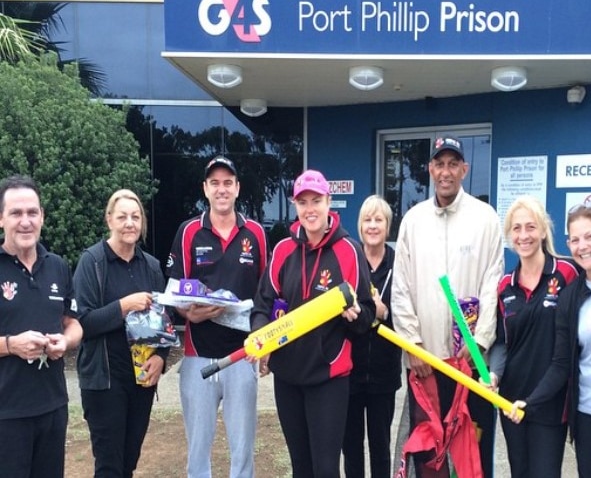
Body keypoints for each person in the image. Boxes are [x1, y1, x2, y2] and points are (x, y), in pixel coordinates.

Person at [505, 197, 591, 477]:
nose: (582, 246)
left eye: (590, 236)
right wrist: (531, 401)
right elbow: (561, 362)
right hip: (589, 412)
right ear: (568, 245)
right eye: (575, 239)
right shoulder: (571, 295)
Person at [249, 169, 375, 478]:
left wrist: (355, 315)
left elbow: (368, 317)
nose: (309, 209)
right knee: (300, 468)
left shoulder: (349, 251)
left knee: (326, 469)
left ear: (328, 202)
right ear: (295, 205)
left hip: (329, 377)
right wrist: (260, 339)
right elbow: (262, 305)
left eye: (316, 201)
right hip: (288, 376)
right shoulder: (283, 250)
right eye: (302, 202)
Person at [391, 136, 504, 477]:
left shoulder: (485, 219)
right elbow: (401, 289)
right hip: (426, 363)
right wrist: (413, 347)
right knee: (428, 454)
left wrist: (479, 344)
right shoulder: (413, 220)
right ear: (429, 169)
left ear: (464, 170)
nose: (445, 172)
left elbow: (491, 284)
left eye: (453, 164)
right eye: (439, 164)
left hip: (469, 364)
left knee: (472, 452)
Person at [167, 156, 268, 478]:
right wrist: (188, 313)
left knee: (243, 449)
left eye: (228, 183)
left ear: (237, 188)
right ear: (205, 189)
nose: (221, 189)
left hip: (242, 356)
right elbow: (172, 292)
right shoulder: (188, 232)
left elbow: (266, 294)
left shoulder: (255, 233)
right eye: (215, 183)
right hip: (199, 357)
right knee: (198, 448)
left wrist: (262, 342)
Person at [73, 189, 167, 477]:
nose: (130, 223)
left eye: (136, 217)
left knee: (129, 462)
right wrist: (123, 306)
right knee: (109, 466)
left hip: (140, 380)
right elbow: (83, 324)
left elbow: (164, 321)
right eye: (123, 216)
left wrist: (161, 357)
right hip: (104, 382)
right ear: (109, 220)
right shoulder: (93, 262)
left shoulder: (150, 266)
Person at [488, 195, 579, 478]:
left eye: (530, 227)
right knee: (520, 473)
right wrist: (494, 375)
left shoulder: (566, 273)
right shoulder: (505, 286)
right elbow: (503, 342)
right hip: (511, 400)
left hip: (551, 400)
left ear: (542, 230)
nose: (523, 235)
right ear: (509, 235)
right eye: (516, 228)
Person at [0, 174, 83, 478]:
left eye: (32, 213)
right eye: (16, 213)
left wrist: (66, 341)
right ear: (1, 219)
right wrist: (11, 345)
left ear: (42, 217)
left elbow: (73, 322)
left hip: (53, 407)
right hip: (6, 414)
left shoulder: (57, 266)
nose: (25, 221)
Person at [343, 194, 402, 478]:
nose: (373, 226)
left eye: (379, 220)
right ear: (360, 225)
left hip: (384, 372)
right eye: (367, 220)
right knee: (351, 446)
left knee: (381, 445)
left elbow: (405, 313)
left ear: (388, 226)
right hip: (350, 371)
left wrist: (383, 312)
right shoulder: (350, 259)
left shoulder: (399, 264)